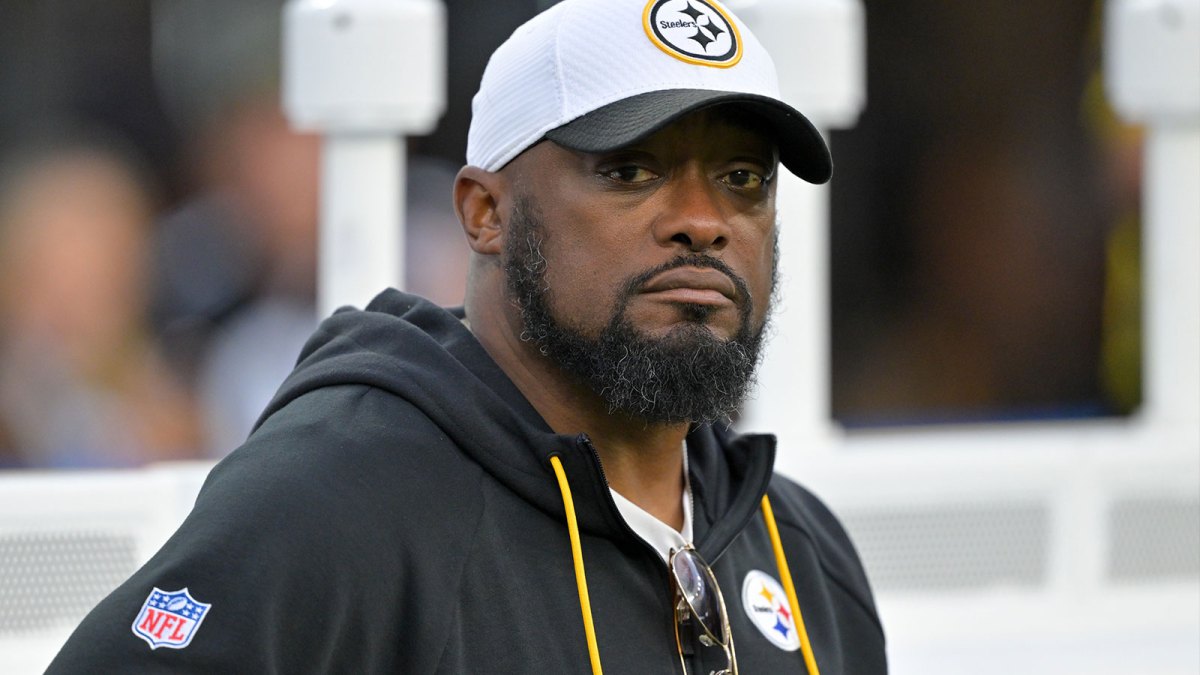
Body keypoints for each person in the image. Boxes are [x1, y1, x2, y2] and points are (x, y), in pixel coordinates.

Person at [48, 0, 886, 672]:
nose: (703, 221)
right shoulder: (335, 504)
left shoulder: (800, 549)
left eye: (743, 178)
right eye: (632, 169)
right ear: (486, 213)